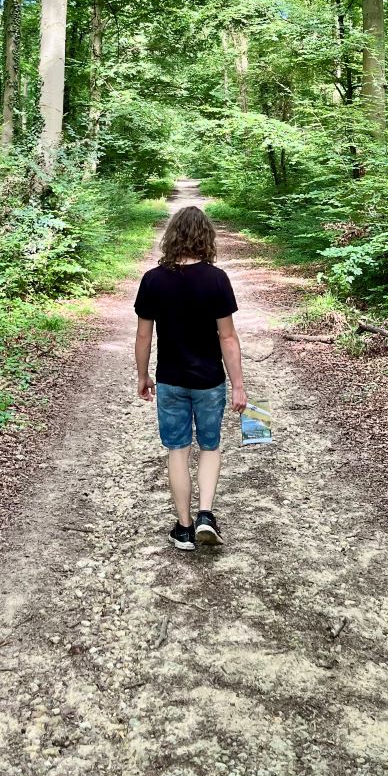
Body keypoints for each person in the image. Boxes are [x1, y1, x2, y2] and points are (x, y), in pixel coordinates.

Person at [133, 205, 247, 551]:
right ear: (205, 238)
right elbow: (227, 337)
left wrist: (142, 375)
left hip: (170, 380)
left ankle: (183, 528)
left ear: (172, 237)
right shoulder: (216, 279)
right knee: (210, 447)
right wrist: (238, 385)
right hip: (210, 381)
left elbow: (143, 336)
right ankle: (206, 516)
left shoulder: (153, 279)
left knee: (178, 451)